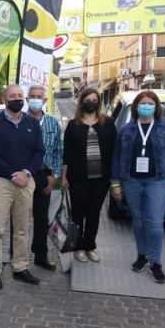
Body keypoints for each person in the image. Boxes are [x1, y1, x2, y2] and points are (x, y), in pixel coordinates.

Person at [110, 91, 165, 284]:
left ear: (156, 107)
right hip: (131, 181)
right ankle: (142, 255)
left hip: (158, 181)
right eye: (143, 103)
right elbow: (116, 158)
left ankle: (155, 262)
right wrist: (115, 184)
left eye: (150, 103)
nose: (146, 106)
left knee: (155, 223)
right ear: (136, 107)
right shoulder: (126, 130)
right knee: (138, 221)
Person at [0, 84, 44, 290]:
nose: (17, 98)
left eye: (20, 95)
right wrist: (12, 174)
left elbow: (39, 152)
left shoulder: (32, 123)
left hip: (26, 181)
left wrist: (26, 173)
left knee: (22, 228)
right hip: (1, 182)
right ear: (5, 98)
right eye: (12, 95)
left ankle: (20, 267)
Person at [61, 87, 116, 263]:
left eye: (94, 100)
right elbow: (67, 154)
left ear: (98, 103)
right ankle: (77, 247)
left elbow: (115, 151)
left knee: (94, 213)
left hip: (101, 179)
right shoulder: (73, 125)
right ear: (81, 101)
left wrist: (114, 179)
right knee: (78, 213)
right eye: (88, 100)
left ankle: (90, 246)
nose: (91, 102)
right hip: (78, 179)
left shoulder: (108, 123)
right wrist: (64, 177)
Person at [27, 84, 63, 271]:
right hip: (25, 176)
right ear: (27, 99)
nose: (35, 99)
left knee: (42, 218)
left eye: (39, 96)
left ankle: (40, 255)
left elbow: (58, 151)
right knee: (18, 219)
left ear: (45, 100)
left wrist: (55, 176)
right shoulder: (21, 121)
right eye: (32, 96)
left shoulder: (52, 123)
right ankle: (16, 258)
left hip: (44, 176)